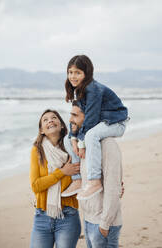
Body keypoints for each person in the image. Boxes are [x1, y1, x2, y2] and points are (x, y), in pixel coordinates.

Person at [62, 54, 128, 199]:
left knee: (91, 135)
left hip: (115, 123)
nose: (73, 76)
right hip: (101, 122)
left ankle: (94, 181)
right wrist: (73, 137)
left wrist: (81, 143)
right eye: (70, 72)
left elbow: (90, 120)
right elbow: (76, 115)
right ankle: (78, 179)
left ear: (87, 74)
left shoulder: (93, 89)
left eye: (77, 72)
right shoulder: (78, 90)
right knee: (67, 139)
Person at [64, 102, 123, 248]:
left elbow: (113, 189)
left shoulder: (107, 145)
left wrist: (104, 225)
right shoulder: (82, 144)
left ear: (90, 117)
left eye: (75, 115)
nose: (70, 119)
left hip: (103, 224)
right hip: (89, 219)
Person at [29, 109, 81, 248]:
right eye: (45, 120)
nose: (50, 120)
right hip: (42, 216)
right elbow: (36, 185)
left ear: (62, 125)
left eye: (54, 118)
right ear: (41, 130)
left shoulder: (72, 148)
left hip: (68, 216)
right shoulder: (37, 150)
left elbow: (85, 176)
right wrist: (62, 172)